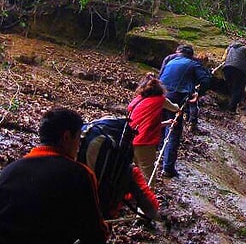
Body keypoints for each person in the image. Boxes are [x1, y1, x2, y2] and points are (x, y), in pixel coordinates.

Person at [0, 108, 109, 244]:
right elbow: (95, 235)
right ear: (67, 137)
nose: (79, 145)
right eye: (78, 138)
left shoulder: (8, 171)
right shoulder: (79, 174)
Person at [159, 44, 211, 178]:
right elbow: (206, 80)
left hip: (158, 94)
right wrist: (198, 94)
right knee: (173, 131)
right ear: (190, 54)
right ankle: (168, 168)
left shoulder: (169, 58)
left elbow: (160, 75)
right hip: (175, 96)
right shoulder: (193, 64)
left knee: (158, 125)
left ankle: (156, 157)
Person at [127, 73, 179, 184]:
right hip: (144, 142)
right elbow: (174, 108)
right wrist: (179, 107)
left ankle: (130, 196)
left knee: (132, 170)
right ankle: (146, 199)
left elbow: (145, 123)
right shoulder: (160, 99)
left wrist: (165, 123)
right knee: (148, 176)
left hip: (128, 139)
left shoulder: (138, 100)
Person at [221, 41, 246, 112]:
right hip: (239, 70)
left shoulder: (229, 48)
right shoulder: (244, 49)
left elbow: (223, 59)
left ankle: (230, 103)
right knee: (237, 89)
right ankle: (231, 108)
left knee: (231, 87)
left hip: (227, 69)